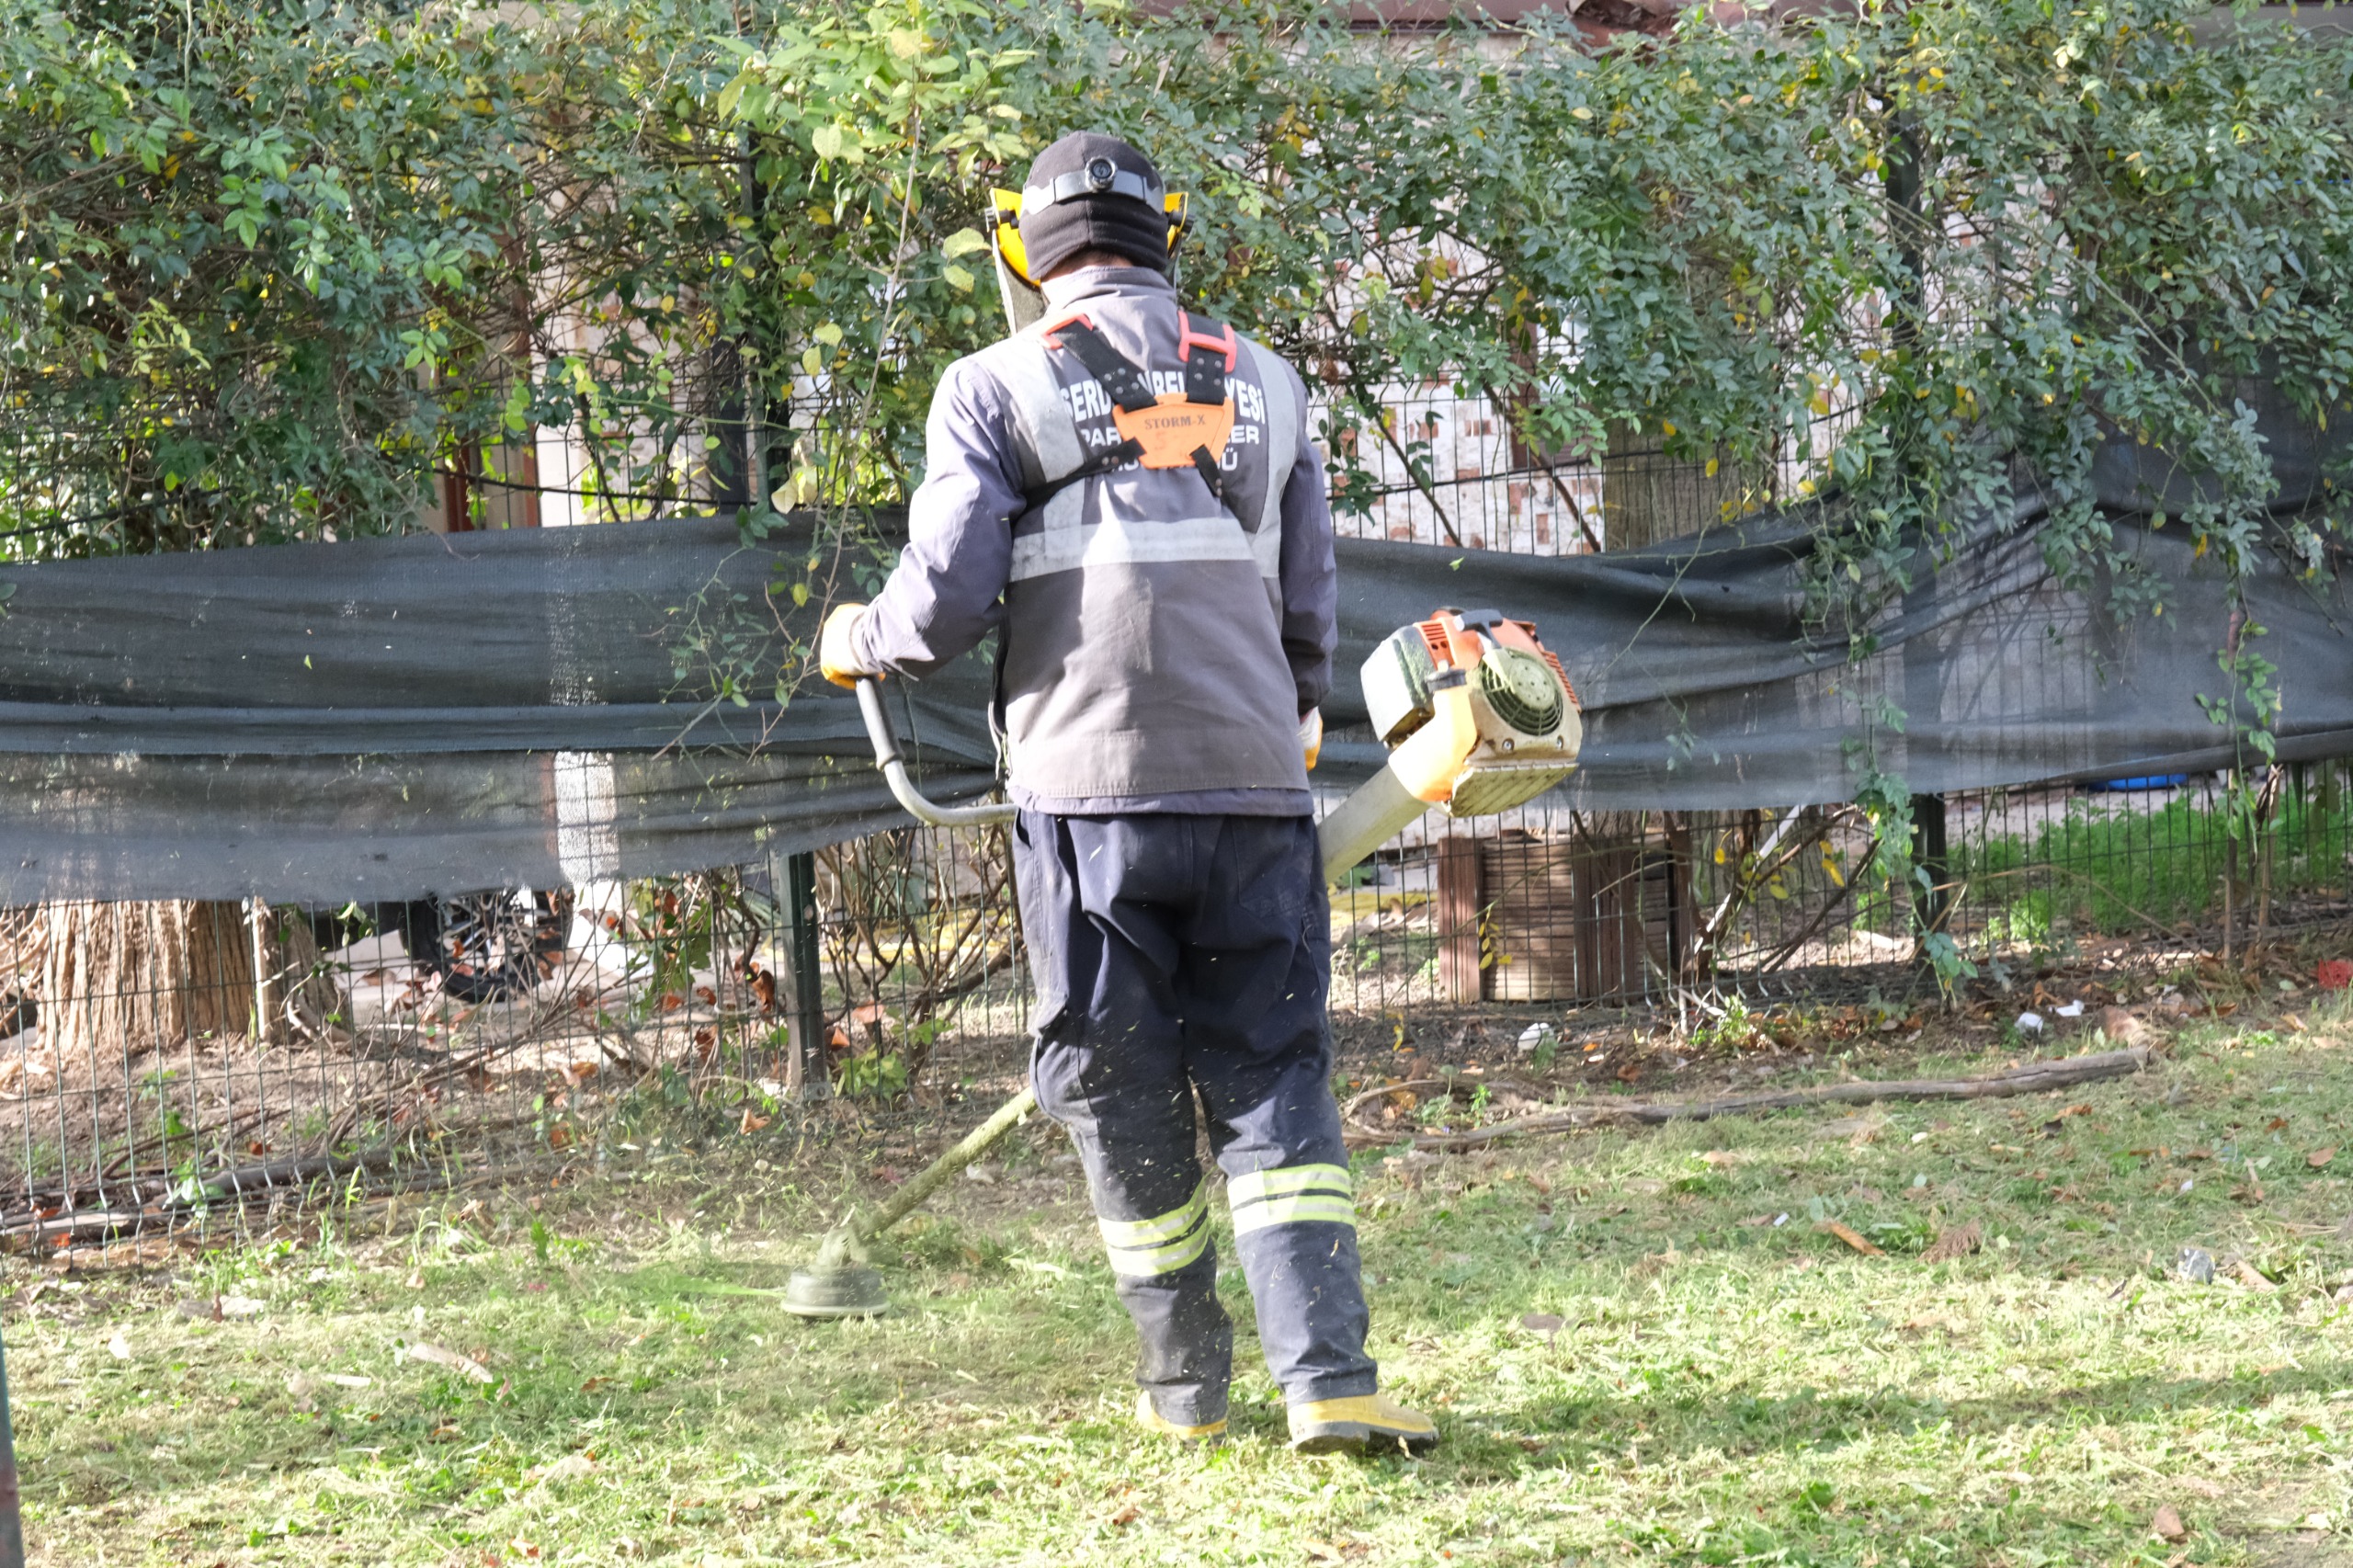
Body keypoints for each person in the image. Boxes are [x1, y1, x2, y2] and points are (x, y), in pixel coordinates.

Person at [816, 131, 1435, 1456]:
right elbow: (1308, 600)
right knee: (1274, 1077)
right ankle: (1329, 1380)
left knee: (1118, 1079)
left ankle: (1186, 1392)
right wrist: (1294, 724)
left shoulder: (992, 386)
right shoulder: (1267, 383)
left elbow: (941, 604)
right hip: (1258, 785)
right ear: (1169, 234)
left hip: (1088, 799)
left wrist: (854, 633)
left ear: (1021, 251)